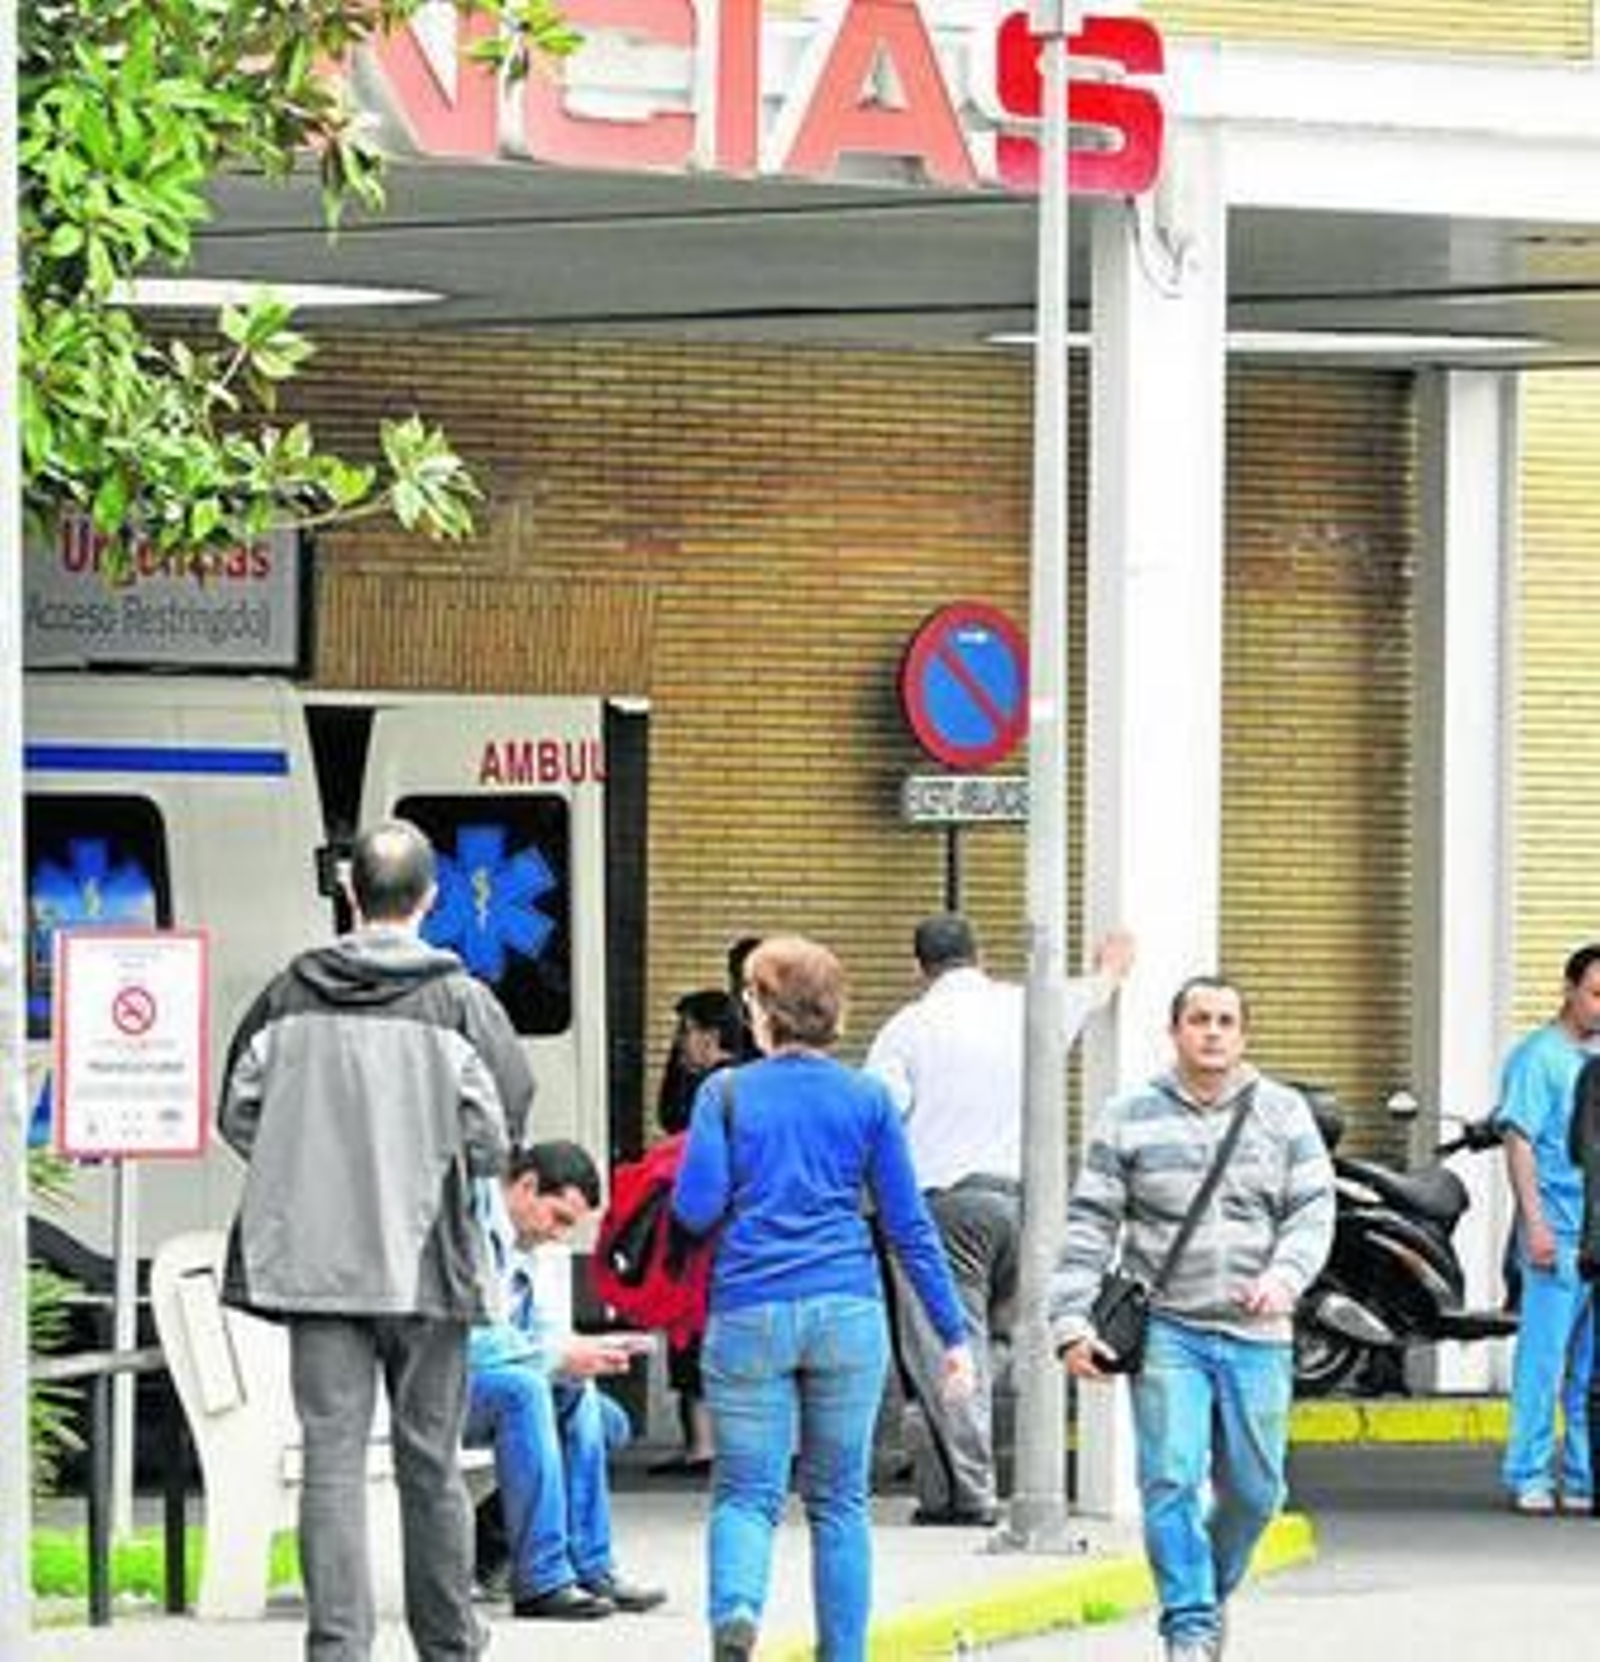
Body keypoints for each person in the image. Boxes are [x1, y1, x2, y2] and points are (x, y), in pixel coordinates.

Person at [219, 818, 533, 1662]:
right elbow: (499, 1131)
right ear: (431, 898)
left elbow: (238, 1113)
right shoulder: (462, 1001)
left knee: (332, 1458)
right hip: (427, 1261)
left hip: (317, 1267)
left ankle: (338, 1650)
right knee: (431, 1462)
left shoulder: (287, 993)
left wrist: (311, 1168)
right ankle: (447, 1645)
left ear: (350, 891)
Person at [673, 935, 974, 1662]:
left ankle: (738, 1615)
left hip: (750, 1307)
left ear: (763, 1009)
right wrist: (953, 1334)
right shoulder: (867, 1098)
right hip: (847, 1309)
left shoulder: (726, 1092)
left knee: (746, 1492)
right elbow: (908, 1226)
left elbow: (695, 1206)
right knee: (840, 1502)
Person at [1049, 975, 1335, 1662]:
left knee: (1258, 1490)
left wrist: (1284, 1278)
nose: (1212, 1031)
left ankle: (1203, 1590)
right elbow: (1089, 1225)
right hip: (1169, 1330)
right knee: (1170, 1476)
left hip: (1258, 1333)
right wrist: (1069, 1321)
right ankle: (1190, 1626)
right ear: (1175, 1031)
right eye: (1199, 1019)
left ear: (1244, 1035)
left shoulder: (1283, 1113)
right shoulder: (1128, 1115)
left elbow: (1312, 1211)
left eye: (1226, 1021)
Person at [863, 913, 1135, 1524]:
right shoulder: (1026, 1006)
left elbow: (879, 1116)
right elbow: (1092, 993)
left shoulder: (906, 1028)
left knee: (948, 1348)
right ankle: (992, 1478)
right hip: (1028, 1206)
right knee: (1018, 1337)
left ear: (919, 967)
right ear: (979, 956)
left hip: (944, 1208)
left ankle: (971, 1492)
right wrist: (1110, 969)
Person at [466, 1139, 667, 1620]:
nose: (558, 1235)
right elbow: (460, 1338)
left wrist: (594, 1353)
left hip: (495, 1377)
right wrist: (557, 1356)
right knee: (528, 1389)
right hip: (440, 1381)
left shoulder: (532, 1243)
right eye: (557, 1218)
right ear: (527, 1186)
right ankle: (542, 1577)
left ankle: (590, 1564)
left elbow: (545, 1336)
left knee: (601, 1413)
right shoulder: (470, 1226)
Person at [1496, 945, 1600, 1514]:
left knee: (1590, 1365)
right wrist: (1533, 1224)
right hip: (1556, 1233)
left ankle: (1584, 1476)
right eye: (1596, 993)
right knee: (1544, 1358)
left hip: (1596, 1233)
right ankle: (1528, 1471)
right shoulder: (1538, 1058)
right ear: (1569, 989)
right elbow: (1520, 1142)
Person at [652, 987, 744, 1475]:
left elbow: (669, 1122)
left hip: (704, 1228)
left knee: (690, 1328)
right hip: (743, 1230)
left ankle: (702, 1444)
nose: (679, 1043)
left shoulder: (706, 1090)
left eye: (684, 1031)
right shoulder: (753, 1079)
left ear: (708, 1034)